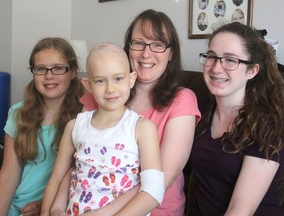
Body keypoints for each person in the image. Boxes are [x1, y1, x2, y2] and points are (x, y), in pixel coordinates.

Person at [79, 9, 201, 215]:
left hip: (154, 210)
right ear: (128, 48)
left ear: (171, 53)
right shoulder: (100, 93)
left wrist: (107, 213)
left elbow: (162, 179)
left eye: (158, 44)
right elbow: (78, 158)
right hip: (87, 203)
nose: (146, 53)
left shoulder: (182, 99)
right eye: (139, 43)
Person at [41, 42, 164, 215]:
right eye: (100, 81)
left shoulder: (142, 128)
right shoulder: (75, 126)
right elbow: (56, 178)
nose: (110, 89)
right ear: (88, 85)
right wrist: (47, 211)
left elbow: (154, 191)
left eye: (118, 78)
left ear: (131, 79)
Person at [188, 22, 284, 215]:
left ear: (252, 70)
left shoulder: (265, 125)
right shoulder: (200, 110)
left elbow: (240, 210)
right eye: (212, 57)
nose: (216, 68)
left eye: (231, 60)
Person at [0, 37, 84, 215]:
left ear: (73, 72)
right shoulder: (18, 113)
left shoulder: (85, 117)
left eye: (58, 68)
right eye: (41, 69)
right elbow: (8, 176)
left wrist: (46, 203)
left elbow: (85, 176)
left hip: (59, 208)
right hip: (18, 207)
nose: (49, 76)